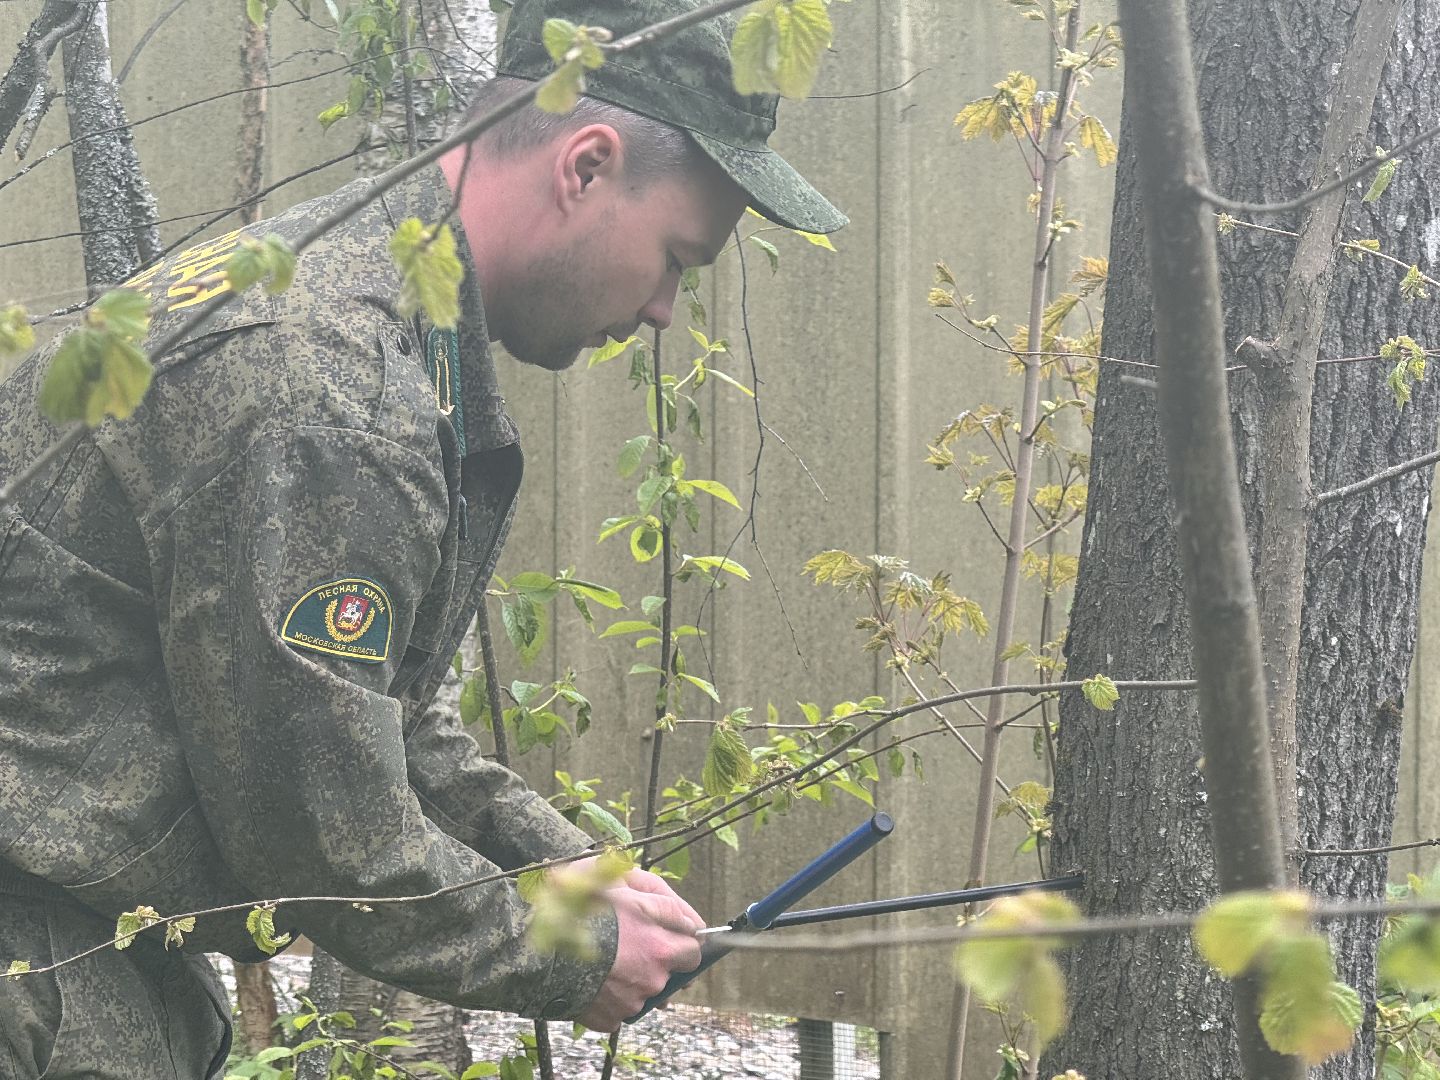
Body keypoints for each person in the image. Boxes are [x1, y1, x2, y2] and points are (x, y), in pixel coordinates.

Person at [0, 0, 846, 1076]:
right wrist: (575, 954)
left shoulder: (366, 278)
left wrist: (575, 866)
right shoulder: (331, 391)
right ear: (585, 165)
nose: (666, 312)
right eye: (677, 258)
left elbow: (378, 724)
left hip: (81, 941)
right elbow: (314, 836)